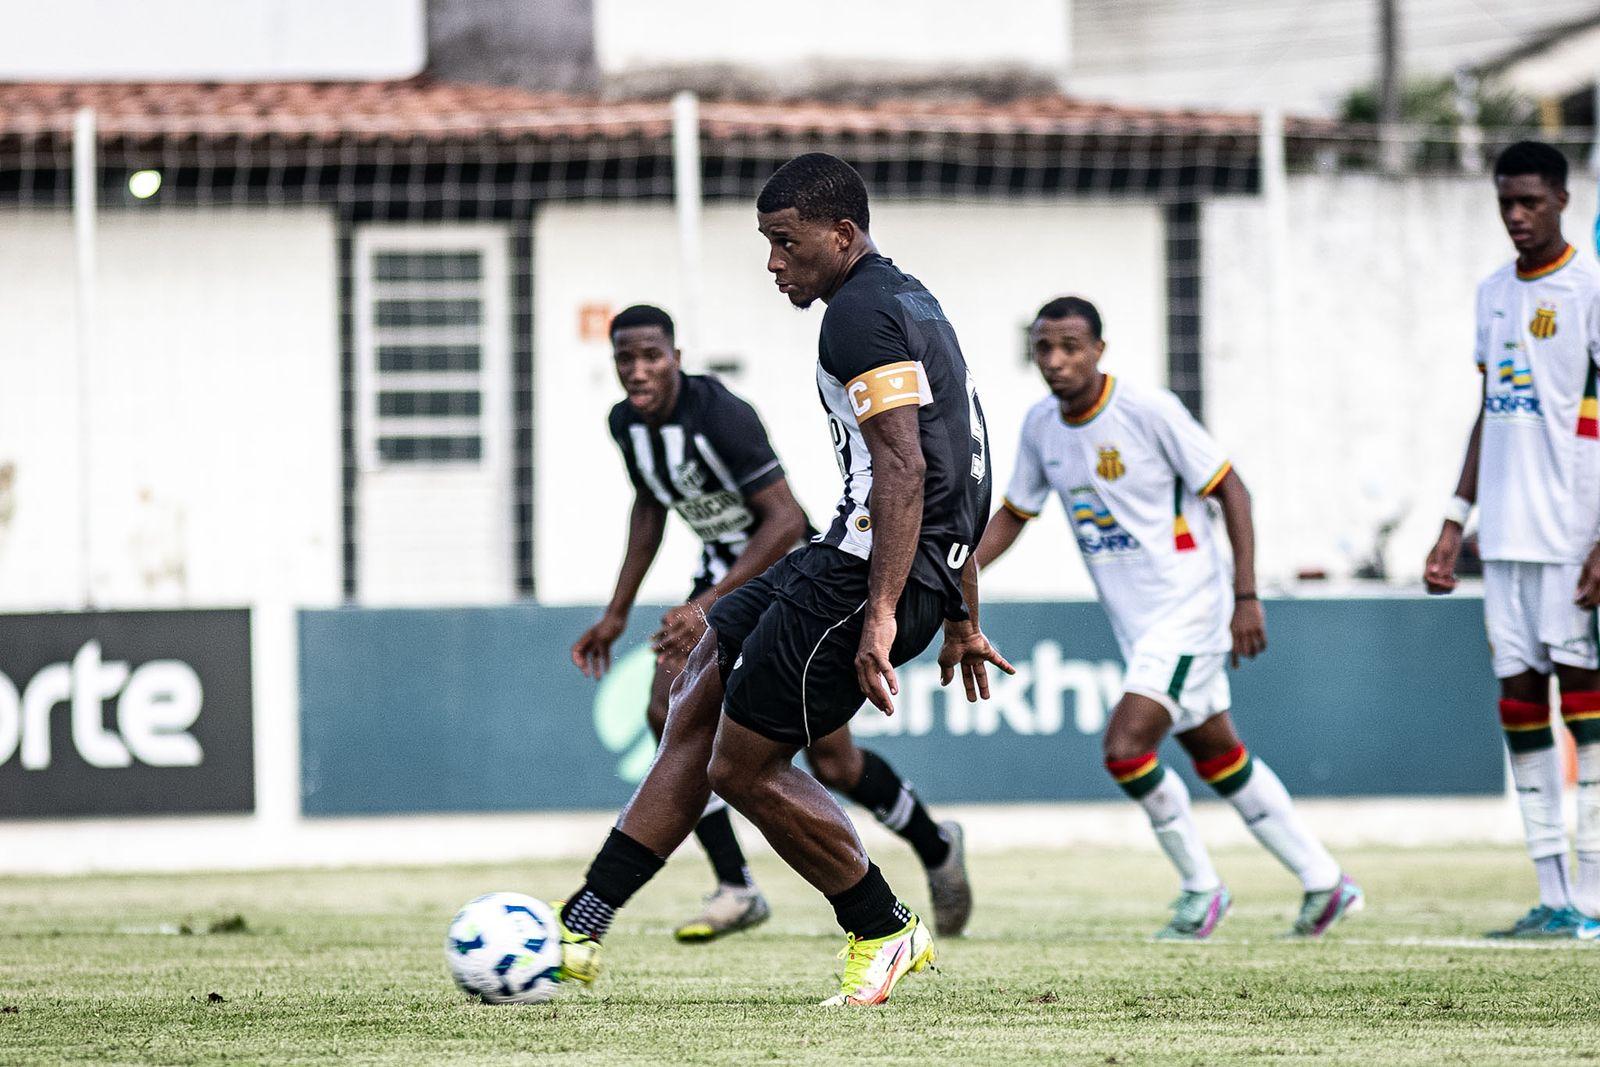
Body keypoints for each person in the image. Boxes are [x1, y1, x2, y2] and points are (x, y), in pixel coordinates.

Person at [552, 152, 1011, 1006]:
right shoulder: (904, 298)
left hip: (862, 575)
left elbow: (910, 470)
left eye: (783, 242)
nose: (773, 263)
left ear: (841, 235)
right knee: (694, 690)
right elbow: (959, 463)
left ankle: (880, 925)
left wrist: (886, 609)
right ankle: (583, 918)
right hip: (853, 556)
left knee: (742, 767)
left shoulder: (857, 318)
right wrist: (958, 605)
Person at [572, 303, 975, 943]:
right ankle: (735, 884)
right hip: (723, 585)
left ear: (676, 356)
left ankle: (932, 845)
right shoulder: (627, 424)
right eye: (626, 359)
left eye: (652, 356)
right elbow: (650, 503)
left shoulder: (720, 415)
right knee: (671, 708)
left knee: (833, 764)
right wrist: (616, 613)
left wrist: (706, 604)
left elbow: (786, 518)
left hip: (795, 582)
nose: (639, 370)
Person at [976, 296, 1362, 940]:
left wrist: (1245, 596)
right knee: (1220, 756)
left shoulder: (1147, 411)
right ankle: (1325, 882)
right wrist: (963, 568)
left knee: (1125, 749)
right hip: (1141, 623)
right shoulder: (1042, 425)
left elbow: (1231, 488)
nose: (1056, 360)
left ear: (1099, 349)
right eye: (1044, 347)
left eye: (1070, 346)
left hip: (1191, 609)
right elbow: (1017, 512)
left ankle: (1200, 889)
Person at [1424, 141, 1600, 940]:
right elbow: (1490, 411)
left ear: (1563, 198)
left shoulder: (1589, 289)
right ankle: (1554, 894)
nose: (1517, 216)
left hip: (1573, 534)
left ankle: (1593, 898)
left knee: (1586, 710)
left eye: (1530, 201)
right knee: (1521, 707)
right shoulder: (1493, 292)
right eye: (1506, 203)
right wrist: (1454, 519)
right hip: (1505, 537)